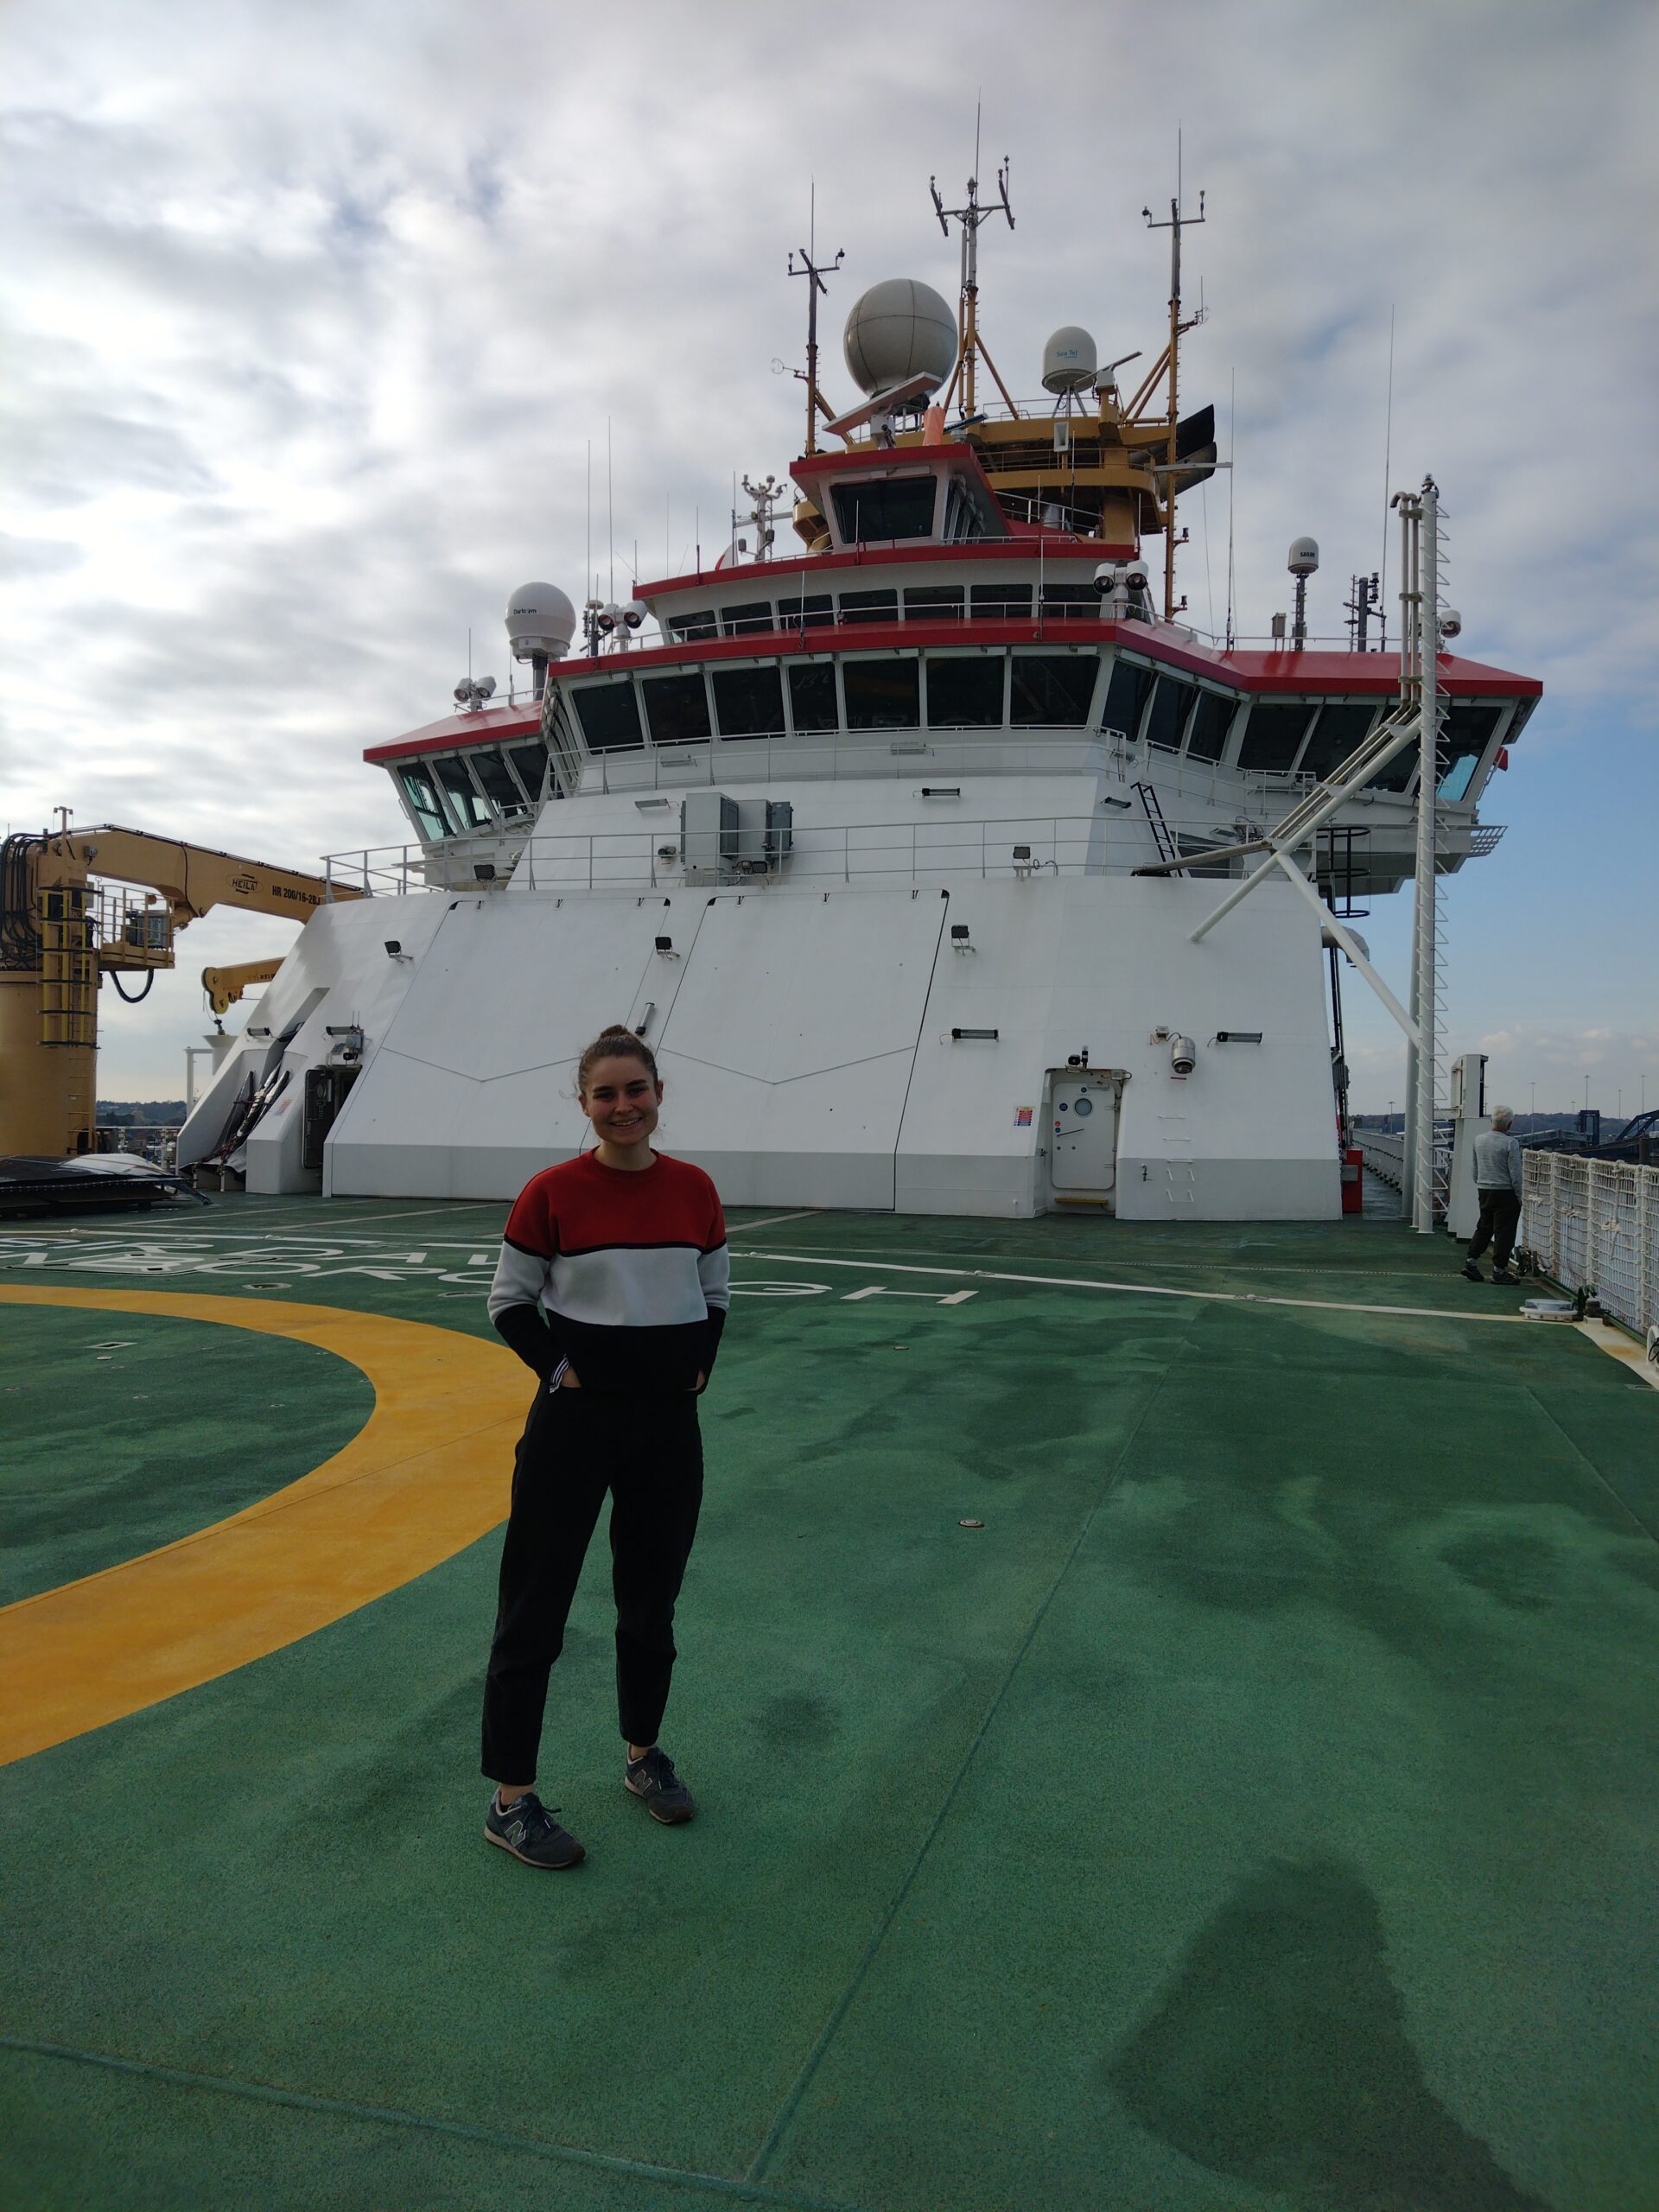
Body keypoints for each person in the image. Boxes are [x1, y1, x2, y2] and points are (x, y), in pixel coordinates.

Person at [479, 1024, 729, 1870]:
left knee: (650, 1604)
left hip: (667, 1427)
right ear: (583, 1103)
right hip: (573, 1431)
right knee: (533, 1611)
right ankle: (511, 1800)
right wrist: (560, 1371)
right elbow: (510, 1303)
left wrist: (701, 1365)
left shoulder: (695, 1189)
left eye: (636, 1090)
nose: (624, 1107)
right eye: (606, 1094)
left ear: (659, 1093)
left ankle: (642, 1756)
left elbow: (714, 1291)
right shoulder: (551, 1190)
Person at [1461, 1104, 1524, 1286]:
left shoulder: (1479, 1140)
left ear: (1491, 1121)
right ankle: (1499, 1271)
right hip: (1506, 1192)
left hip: (1484, 1188)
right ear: (1509, 1125)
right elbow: (1515, 1174)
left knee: (1484, 1226)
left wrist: (1480, 1182)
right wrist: (1519, 1196)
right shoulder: (1510, 1143)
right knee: (1504, 1232)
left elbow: (1475, 1167)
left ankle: (1471, 1262)